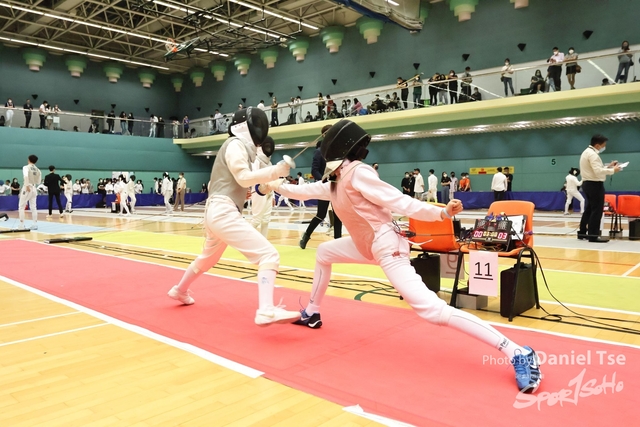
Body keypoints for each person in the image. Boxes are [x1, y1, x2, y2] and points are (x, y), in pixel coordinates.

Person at [263, 119, 542, 394]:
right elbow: (302, 191)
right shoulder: (336, 182)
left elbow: (399, 201)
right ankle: (312, 312)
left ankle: (518, 351)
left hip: (388, 247)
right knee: (325, 252)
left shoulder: (358, 173)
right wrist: (271, 182)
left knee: (432, 310)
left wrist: (441, 213)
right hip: (368, 245)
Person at [167, 107, 301, 326]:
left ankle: (179, 290)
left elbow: (239, 182)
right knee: (268, 255)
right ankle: (266, 310)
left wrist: (265, 184)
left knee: (208, 258)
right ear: (244, 126)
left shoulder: (241, 149)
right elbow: (243, 177)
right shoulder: (235, 144)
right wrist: (275, 171)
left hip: (217, 211)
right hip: (223, 211)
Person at [300, 126, 343, 249]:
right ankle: (306, 236)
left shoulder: (337, 151)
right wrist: (324, 180)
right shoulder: (319, 152)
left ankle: (338, 243)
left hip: (336, 187)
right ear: (324, 135)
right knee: (321, 215)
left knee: (338, 215)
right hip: (324, 187)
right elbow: (314, 170)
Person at [578, 134, 622, 242]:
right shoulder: (593, 154)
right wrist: (613, 170)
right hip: (594, 184)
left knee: (589, 209)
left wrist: (609, 166)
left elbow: (595, 169)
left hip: (587, 183)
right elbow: (597, 171)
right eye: (603, 145)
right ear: (597, 145)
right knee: (596, 210)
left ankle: (582, 232)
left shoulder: (586, 152)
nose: (604, 147)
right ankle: (593, 235)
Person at [250, 137, 275, 238]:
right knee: (256, 220)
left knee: (266, 220)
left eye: (270, 146)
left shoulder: (270, 162)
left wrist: (273, 195)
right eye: (267, 146)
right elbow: (253, 176)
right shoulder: (256, 160)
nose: (269, 148)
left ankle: (264, 242)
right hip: (258, 191)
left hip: (269, 192)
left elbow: (272, 179)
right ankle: (245, 241)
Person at [18, 155, 42, 230]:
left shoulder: (26, 167)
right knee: (33, 207)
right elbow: (39, 181)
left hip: (27, 187)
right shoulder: (38, 170)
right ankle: (34, 224)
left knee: (21, 206)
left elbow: (25, 176)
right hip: (34, 188)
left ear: (28, 160)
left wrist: (27, 185)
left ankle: (21, 225)